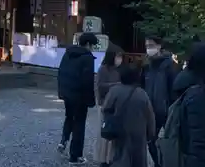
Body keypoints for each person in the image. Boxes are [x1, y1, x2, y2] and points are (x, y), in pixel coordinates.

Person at [102, 65, 156, 167]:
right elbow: (150, 116)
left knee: (119, 156)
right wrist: (150, 134)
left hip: (119, 130)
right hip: (139, 133)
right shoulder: (142, 94)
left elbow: (105, 109)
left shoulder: (114, 91)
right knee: (138, 159)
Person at [57, 32, 97, 165]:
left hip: (67, 93)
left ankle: (63, 141)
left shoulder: (68, 53)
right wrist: (91, 100)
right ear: (88, 44)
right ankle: (75, 156)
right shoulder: (87, 58)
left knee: (69, 117)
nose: (93, 49)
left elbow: (61, 72)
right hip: (80, 96)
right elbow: (88, 81)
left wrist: (61, 92)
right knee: (79, 124)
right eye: (93, 46)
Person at [140, 36, 178, 167]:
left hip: (166, 110)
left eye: (151, 45)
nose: (148, 48)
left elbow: (174, 88)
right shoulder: (146, 65)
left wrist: (172, 107)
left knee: (169, 141)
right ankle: (158, 163)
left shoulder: (170, 65)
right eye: (146, 45)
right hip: (149, 110)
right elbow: (141, 86)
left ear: (159, 46)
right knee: (150, 140)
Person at [94, 45, 123, 167]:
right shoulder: (102, 69)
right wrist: (116, 85)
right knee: (105, 132)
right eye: (118, 56)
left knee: (114, 132)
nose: (119, 59)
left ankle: (111, 158)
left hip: (116, 105)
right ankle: (103, 159)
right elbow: (100, 86)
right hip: (104, 104)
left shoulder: (118, 70)